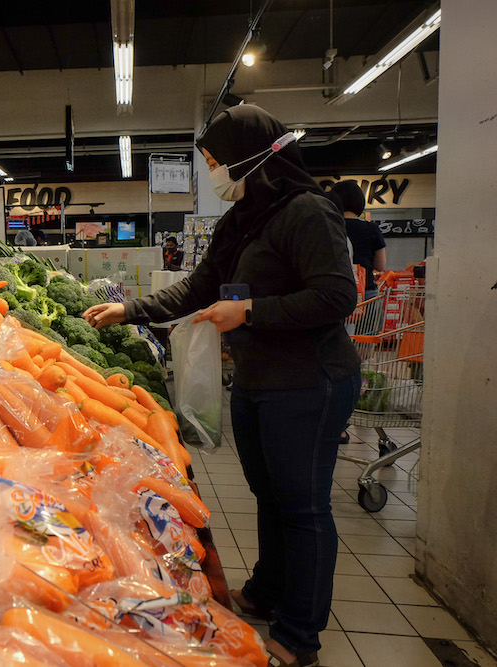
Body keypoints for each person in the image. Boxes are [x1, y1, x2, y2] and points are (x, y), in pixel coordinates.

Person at [84, 105, 360, 667]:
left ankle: (300, 633)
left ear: (248, 158)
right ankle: (265, 590)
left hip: (310, 381)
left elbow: (337, 297)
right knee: (267, 494)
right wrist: (129, 310)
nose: (212, 173)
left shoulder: (309, 212)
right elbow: (198, 287)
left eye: (215, 162)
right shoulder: (243, 221)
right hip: (259, 380)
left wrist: (251, 311)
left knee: (302, 506)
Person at [332, 180, 386, 311]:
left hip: (336, 292)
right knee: (367, 331)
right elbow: (380, 265)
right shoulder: (371, 228)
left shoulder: (330, 227)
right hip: (366, 291)